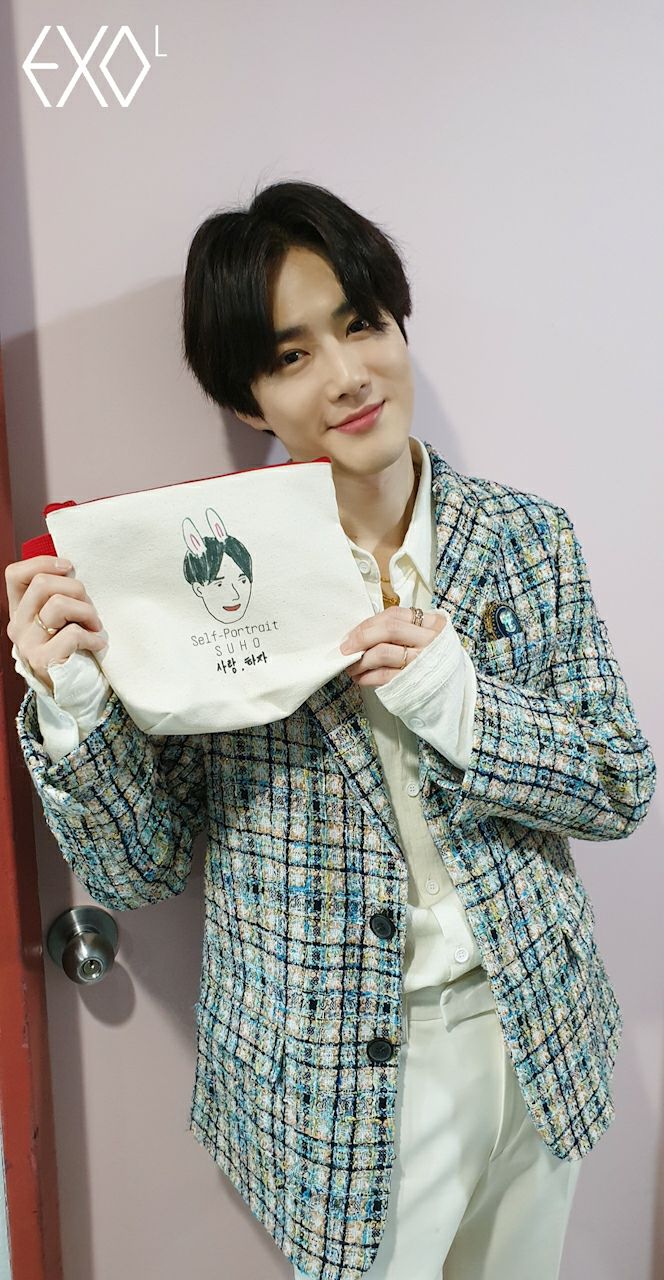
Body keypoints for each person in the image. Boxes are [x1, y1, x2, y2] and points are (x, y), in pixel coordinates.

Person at [5, 180, 656, 1280]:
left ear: (399, 325)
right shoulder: (205, 576)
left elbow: (620, 783)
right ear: (250, 395)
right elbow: (137, 866)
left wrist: (464, 706)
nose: (348, 374)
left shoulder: (525, 537)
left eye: (362, 324)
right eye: (292, 354)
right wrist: (74, 702)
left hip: (539, 1035)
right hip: (339, 1082)